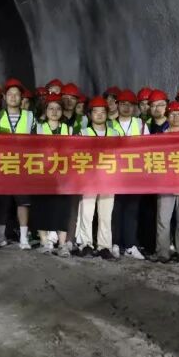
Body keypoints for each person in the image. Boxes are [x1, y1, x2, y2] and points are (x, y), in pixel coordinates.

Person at [75, 96, 119, 259]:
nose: (99, 114)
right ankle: (85, 244)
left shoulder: (115, 134)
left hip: (108, 179)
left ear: (107, 113)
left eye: (103, 111)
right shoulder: (83, 133)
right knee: (86, 212)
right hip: (88, 180)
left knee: (106, 214)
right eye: (96, 111)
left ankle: (104, 246)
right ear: (89, 114)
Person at [0, 78, 34, 249]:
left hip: (23, 165)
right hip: (2, 163)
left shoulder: (29, 116)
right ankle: (1, 235)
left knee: (23, 202)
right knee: (3, 202)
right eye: (10, 94)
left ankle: (24, 237)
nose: (13, 97)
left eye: (17, 94)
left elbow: (37, 140)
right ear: (4, 97)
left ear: (21, 98)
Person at [33, 96, 73, 255]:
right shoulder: (38, 129)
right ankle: (44, 241)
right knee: (42, 207)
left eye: (58, 108)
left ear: (62, 111)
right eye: (51, 108)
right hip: (42, 174)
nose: (54, 112)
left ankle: (62, 244)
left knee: (63, 209)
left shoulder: (69, 129)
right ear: (45, 111)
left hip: (63, 176)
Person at [111, 90, 148, 260]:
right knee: (115, 210)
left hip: (134, 175)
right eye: (123, 104)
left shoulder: (141, 125)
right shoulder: (109, 124)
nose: (126, 107)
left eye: (130, 104)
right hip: (114, 174)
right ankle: (115, 243)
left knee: (131, 211)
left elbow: (149, 148)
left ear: (135, 107)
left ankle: (130, 245)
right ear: (117, 105)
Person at [154, 102, 179, 262]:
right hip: (165, 184)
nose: (175, 118)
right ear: (167, 117)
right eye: (172, 114)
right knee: (163, 220)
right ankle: (162, 252)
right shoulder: (159, 139)